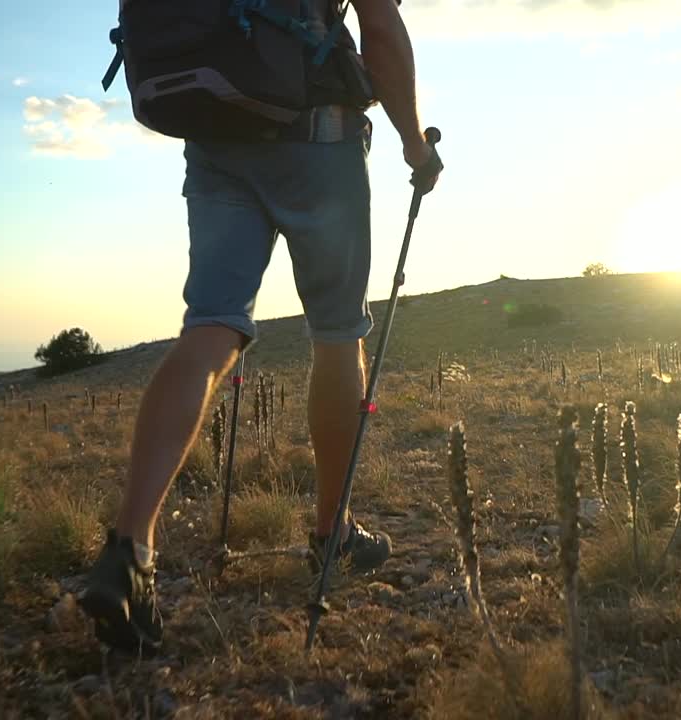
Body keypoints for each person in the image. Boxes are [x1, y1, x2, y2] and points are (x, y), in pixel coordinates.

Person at [79, 0, 442, 653]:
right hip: (317, 139)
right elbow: (380, 29)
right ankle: (332, 530)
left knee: (209, 329)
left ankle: (129, 548)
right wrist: (414, 143)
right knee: (337, 335)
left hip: (216, 134)